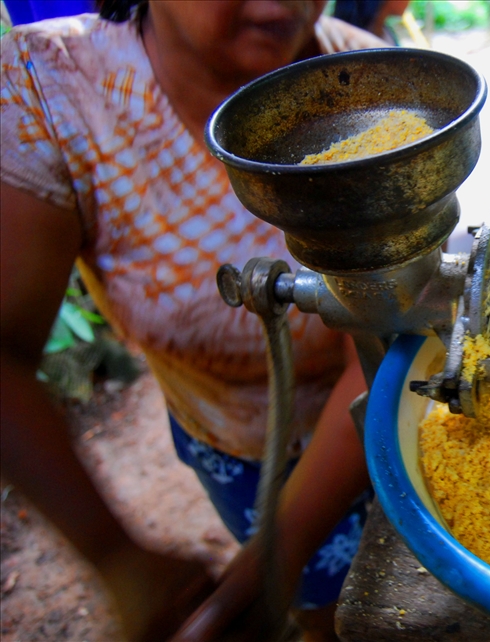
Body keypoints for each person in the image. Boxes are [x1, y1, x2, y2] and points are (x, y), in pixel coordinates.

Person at [0, 1, 392, 640]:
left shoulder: (369, 83)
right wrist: (117, 557)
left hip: (374, 420)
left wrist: (278, 554)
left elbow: (377, 352)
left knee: (373, 603)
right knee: (327, 612)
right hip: (235, 443)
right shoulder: (49, 91)